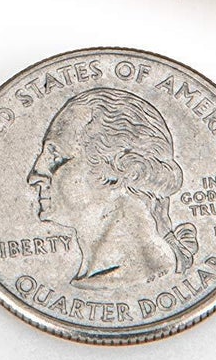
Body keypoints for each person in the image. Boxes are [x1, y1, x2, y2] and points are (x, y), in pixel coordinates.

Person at [27, 87, 199, 288]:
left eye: (56, 157)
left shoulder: (140, 276)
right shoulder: (95, 278)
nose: (34, 176)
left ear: (120, 171)